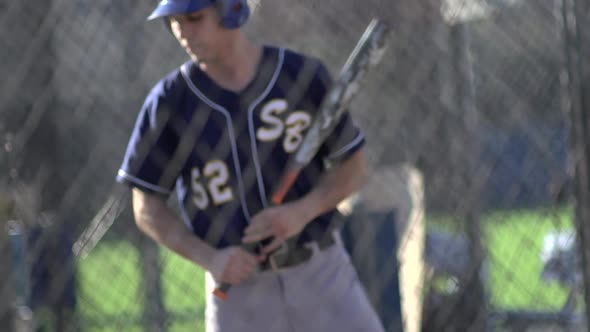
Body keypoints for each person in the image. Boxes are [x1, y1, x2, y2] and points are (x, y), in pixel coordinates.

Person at [116, 0, 385, 331]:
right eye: (173, 22)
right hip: (238, 291)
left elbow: (354, 170)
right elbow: (145, 207)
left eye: (194, 18)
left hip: (320, 274)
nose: (182, 32)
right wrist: (209, 258)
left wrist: (301, 211)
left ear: (230, 10)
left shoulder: (300, 75)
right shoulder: (170, 102)